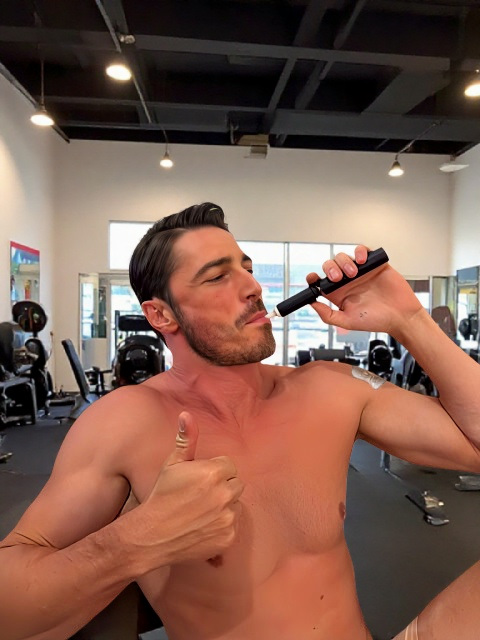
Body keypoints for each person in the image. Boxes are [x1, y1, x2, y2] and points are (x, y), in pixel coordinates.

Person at [1, 202, 480, 640]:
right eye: (217, 277)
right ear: (161, 314)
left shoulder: (328, 388)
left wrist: (408, 319)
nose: (253, 287)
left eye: (247, 269)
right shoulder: (125, 421)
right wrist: (134, 541)